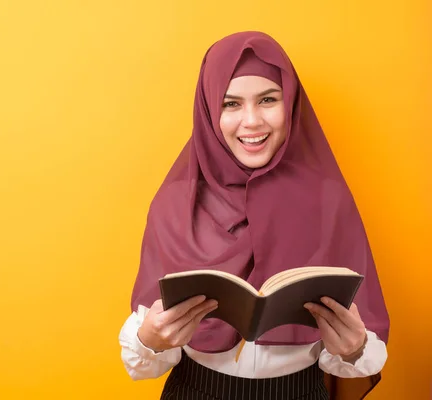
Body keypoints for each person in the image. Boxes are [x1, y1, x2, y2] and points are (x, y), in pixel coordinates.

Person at [118, 31, 390, 400]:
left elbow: (363, 344)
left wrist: (354, 346)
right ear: (209, 110)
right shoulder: (175, 203)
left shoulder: (329, 200)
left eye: (268, 99)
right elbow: (144, 360)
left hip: (299, 392)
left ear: (290, 102)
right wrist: (149, 340)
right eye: (230, 104)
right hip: (196, 390)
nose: (252, 121)